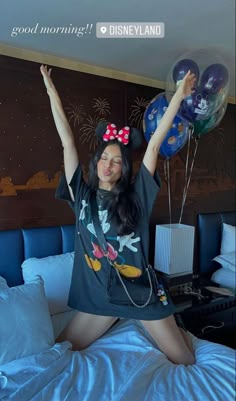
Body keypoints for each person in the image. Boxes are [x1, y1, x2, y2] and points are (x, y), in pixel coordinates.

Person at [40, 65, 196, 365]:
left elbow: (153, 147)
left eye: (116, 161)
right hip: (100, 298)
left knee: (185, 361)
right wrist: (50, 89)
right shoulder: (81, 195)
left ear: (124, 168)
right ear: (96, 161)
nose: (108, 165)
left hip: (139, 295)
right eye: (103, 158)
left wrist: (177, 97)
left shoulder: (136, 198)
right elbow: (68, 141)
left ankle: (179, 332)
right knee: (57, 355)